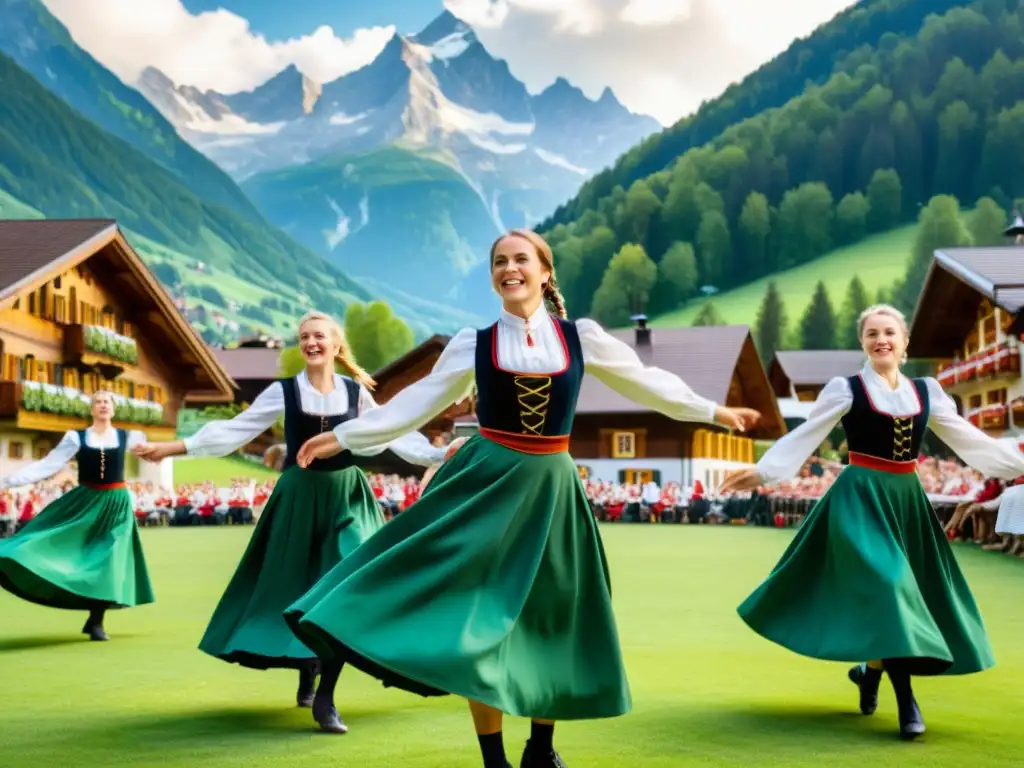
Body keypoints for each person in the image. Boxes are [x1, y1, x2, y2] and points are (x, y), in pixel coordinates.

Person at [283, 229, 760, 767]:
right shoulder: (475, 342)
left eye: (520, 260)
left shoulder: (580, 337)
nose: (509, 268)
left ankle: (541, 747)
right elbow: (415, 402)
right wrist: (343, 436)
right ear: (493, 277)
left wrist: (715, 412)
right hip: (488, 481)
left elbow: (645, 382)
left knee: (553, 614)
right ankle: (494, 760)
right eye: (499, 262)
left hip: (552, 487)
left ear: (545, 272)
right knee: (477, 616)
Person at [720, 304, 1024, 740]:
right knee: (890, 586)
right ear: (863, 343)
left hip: (906, 500)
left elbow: (967, 438)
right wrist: (765, 471)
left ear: (903, 344)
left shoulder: (928, 391)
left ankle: (870, 672)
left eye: (889, 332)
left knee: (897, 594)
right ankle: (907, 702)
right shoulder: (845, 390)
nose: (881, 339)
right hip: (860, 498)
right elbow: (804, 435)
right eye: (872, 334)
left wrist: (1015, 464)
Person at [133, 311, 444, 733]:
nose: (312, 342)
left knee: (344, 585)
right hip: (298, 498)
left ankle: (326, 698)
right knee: (297, 590)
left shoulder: (356, 394)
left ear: (336, 346)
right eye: (304, 337)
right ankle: (307, 670)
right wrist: (175, 447)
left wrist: (438, 455)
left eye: (319, 336)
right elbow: (236, 430)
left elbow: (393, 432)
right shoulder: (283, 393)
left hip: (347, 498)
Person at [0, 390, 154, 640]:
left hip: (116, 503)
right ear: (92, 409)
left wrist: (173, 451)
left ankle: (96, 622)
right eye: (98, 402)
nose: (103, 405)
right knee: (56, 543)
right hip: (86, 501)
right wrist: (7, 481)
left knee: (109, 558)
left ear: (113, 409)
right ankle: (11, 555)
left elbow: (152, 451)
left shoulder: (128, 436)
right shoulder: (77, 436)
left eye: (107, 402)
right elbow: (48, 465)